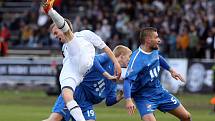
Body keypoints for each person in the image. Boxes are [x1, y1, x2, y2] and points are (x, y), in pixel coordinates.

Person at [41, 0, 121, 121]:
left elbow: (105, 48)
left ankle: (50, 11)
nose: (56, 36)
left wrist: (116, 63)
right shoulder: (65, 47)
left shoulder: (84, 35)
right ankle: (50, 11)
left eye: (56, 33)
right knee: (67, 97)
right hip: (72, 70)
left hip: (80, 70)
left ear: (60, 26)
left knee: (68, 34)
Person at [43, 45, 132, 121]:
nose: (130, 60)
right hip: (76, 93)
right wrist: (106, 74)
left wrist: (119, 97)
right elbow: (93, 60)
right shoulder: (107, 57)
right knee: (55, 119)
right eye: (129, 57)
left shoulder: (116, 76)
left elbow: (109, 101)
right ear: (121, 56)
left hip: (86, 103)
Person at [123, 27, 191, 121]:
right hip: (144, 97)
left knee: (186, 117)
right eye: (156, 37)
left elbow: (158, 58)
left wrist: (171, 70)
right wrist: (128, 100)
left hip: (159, 92)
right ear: (148, 40)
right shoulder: (137, 59)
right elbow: (127, 81)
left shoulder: (154, 49)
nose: (159, 40)